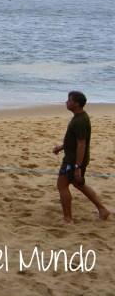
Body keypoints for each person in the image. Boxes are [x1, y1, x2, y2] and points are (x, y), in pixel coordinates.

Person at [53, 90, 110, 223]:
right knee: (79, 184)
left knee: (62, 185)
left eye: (69, 100)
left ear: (77, 104)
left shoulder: (80, 121)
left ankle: (68, 219)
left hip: (73, 160)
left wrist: (77, 166)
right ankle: (102, 209)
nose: (66, 102)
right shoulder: (79, 117)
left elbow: (81, 144)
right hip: (74, 159)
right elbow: (74, 140)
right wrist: (61, 147)